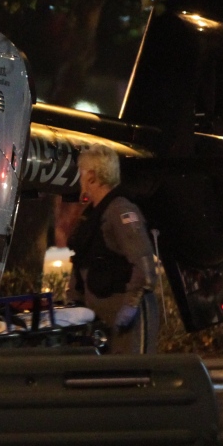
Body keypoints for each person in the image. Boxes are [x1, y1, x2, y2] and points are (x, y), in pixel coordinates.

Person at [65, 145, 163, 354]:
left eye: (82, 173)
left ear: (91, 177)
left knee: (132, 371)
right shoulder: (93, 215)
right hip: (102, 322)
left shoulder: (120, 211)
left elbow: (144, 265)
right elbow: (82, 262)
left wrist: (130, 306)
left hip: (126, 322)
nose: (80, 180)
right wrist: (74, 302)